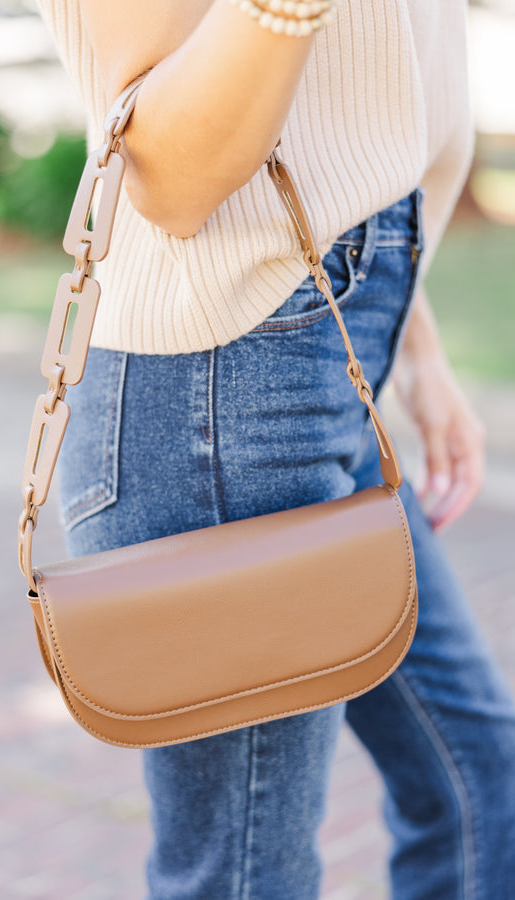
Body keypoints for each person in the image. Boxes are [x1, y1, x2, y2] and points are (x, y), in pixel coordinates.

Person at [36, 0, 515, 896]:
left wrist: (416, 346)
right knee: (248, 874)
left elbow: (348, 123)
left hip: (339, 333)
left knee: (477, 780)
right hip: (222, 387)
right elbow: (170, 178)